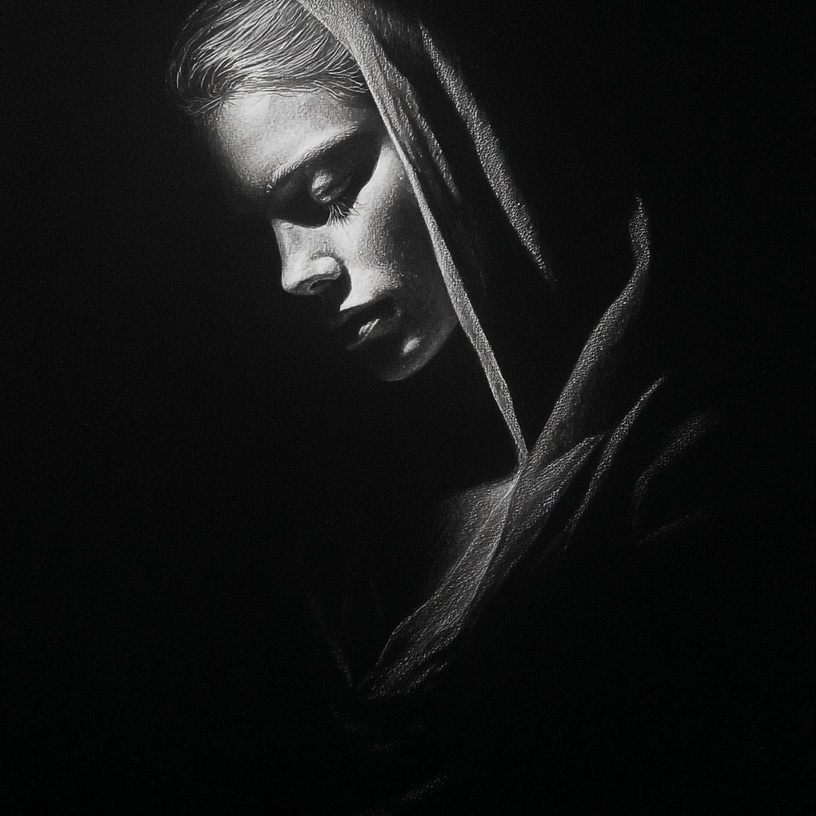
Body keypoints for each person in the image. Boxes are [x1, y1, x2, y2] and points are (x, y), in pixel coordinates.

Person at [168, 1, 729, 812]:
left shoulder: (682, 472)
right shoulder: (325, 531)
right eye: (261, 230)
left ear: (449, 130)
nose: (294, 274)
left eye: (329, 194)